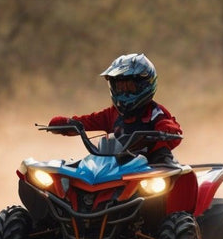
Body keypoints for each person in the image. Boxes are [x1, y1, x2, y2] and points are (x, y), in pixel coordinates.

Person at [48, 53, 182, 165]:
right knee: (80, 169)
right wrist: (67, 123)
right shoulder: (113, 113)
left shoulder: (155, 112)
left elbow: (173, 130)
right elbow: (87, 121)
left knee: (166, 162)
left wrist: (163, 132)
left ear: (145, 84)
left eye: (129, 86)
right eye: (119, 87)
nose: (124, 91)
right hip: (116, 166)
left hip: (148, 168)